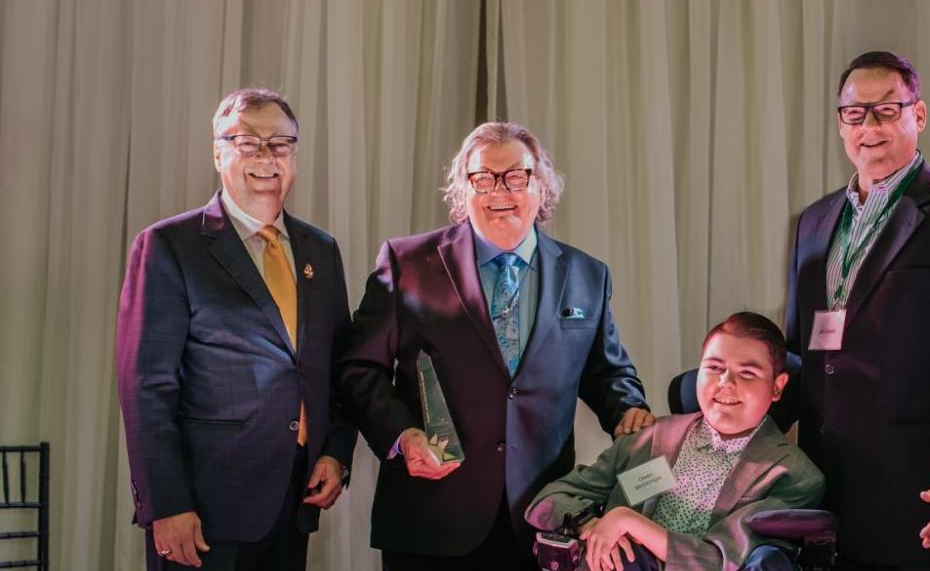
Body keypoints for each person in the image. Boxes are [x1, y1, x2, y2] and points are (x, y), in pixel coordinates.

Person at [336, 121, 654, 569]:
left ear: (540, 187)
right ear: (462, 191)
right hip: (432, 520)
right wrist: (402, 435)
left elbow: (608, 373)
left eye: (517, 176)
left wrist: (627, 410)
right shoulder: (407, 263)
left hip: (541, 518)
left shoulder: (586, 275)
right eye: (482, 177)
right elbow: (358, 368)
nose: (498, 190)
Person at [777, 51, 930, 570]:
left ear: (919, 115)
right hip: (822, 489)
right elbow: (797, 356)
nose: (870, 126)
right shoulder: (814, 221)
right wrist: (723, 443)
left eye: (887, 110)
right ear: (840, 123)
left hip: (920, 493)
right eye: (855, 113)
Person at [116, 88, 356, 570]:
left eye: (280, 144)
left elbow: (338, 364)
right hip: (202, 510)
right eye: (248, 143)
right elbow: (147, 388)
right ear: (217, 152)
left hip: (294, 502)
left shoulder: (320, 250)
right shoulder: (168, 246)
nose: (266, 157)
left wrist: (335, 453)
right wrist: (167, 504)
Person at [526, 312, 824, 571]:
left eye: (747, 372)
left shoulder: (794, 476)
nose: (726, 383)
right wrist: (590, 523)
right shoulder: (650, 438)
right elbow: (548, 500)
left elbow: (720, 560)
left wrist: (629, 521)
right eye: (715, 367)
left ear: (777, 387)